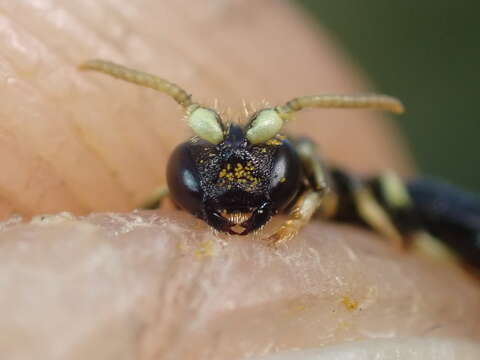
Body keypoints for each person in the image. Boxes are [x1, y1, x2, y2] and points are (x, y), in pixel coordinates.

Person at [0, 1, 478, 359]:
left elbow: (324, 190)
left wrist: (305, 213)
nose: (235, 192)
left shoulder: (327, 185)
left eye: (261, 178)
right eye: (195, 182)